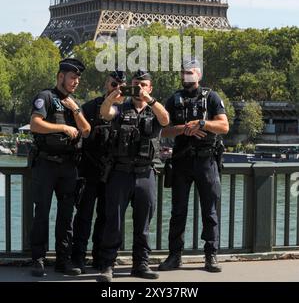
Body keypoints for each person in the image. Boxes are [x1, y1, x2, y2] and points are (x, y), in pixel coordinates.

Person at [97, 69, 169, 282]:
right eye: (135, 84)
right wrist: (113, 95)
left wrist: (151, 100)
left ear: (150, 87)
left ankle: (141, 264)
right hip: (120, 173)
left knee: (143, 223)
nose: (139, 89)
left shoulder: (154, 110)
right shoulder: (120, 109)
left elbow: (165, 120)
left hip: (146, 174)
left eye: (143, 85)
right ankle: (107, 265)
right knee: (114, 222)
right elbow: (104, 113)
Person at [159, 58, 229, 273]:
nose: (185, 76)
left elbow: (224, 126)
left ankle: (211, 256)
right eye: (183, 72)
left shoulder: (212, 98)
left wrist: (201, 124)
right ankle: (174, 256)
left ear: (199, 75)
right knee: (178, 212)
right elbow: (163, 130)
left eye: (190, 72)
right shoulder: (174, 99)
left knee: (210, 211)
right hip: (182, 160)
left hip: (206, 160)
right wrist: (184, 129)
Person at [29, 58, 91, 277]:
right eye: (72, 77)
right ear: (60, 76)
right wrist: (63, 127)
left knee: (66, 216)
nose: (76, 82)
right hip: (46, 164)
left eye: (78, 79)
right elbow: (36, 124)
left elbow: (86, 130)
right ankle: (38, 259)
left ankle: (63, 260)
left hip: (68, 167)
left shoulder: (74, 103)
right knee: (42, 213)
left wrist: (75, 111)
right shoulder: (45, 97)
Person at [71, 70, 127, 273]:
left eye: (121, 86)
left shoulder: (128, 109)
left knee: (107, 217)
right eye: (113, 84)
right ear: (106, 84)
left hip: (114, 173)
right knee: (83, 217)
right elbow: (79, 134)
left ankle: (99, 258)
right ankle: (77, 258)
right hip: (89, 170)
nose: (116, 89)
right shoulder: (91, 106)